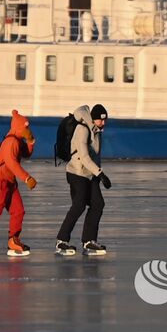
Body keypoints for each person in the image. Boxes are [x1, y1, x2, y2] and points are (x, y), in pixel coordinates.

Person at [0, 110, 38, 257]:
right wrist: (27, 178)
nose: (27, 130)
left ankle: (13, 241)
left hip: (10, 182)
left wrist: (31, 141)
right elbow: (11, 163)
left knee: (18, 210)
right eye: (25, 128)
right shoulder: (10, 142)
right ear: (18, 127)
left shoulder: (18, 141)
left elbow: (26, 154)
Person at [56, 104, 111, 256]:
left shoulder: (96, 131)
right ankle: (61, 240)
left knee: (98, 204)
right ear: (93, 119)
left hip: (90, 174)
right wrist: (101, 174)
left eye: (105, 120)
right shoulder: (82, 129)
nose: (103, 123)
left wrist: (97, 175)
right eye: (101, 120)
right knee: (79, 205)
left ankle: (89, 241)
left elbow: (95, 157)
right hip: (77, 173)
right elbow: (84, 157)